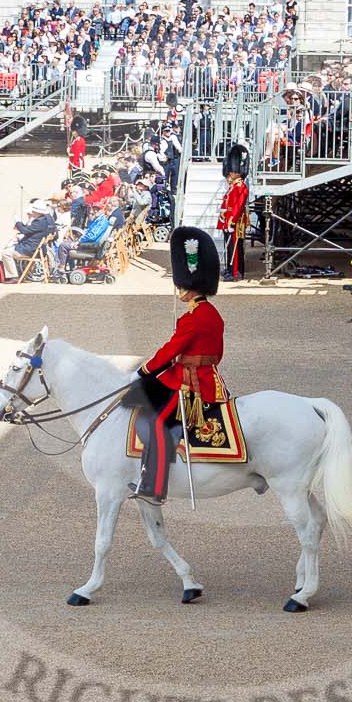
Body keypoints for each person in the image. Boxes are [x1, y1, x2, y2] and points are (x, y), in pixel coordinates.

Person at [133, 226, 226, 500]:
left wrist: (145, 370)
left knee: (157, 423)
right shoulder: (213, 314)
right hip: (210, 378)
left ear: (189, 288)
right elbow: (217, 354)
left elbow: (170, 350)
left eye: (181, 285)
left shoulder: (192, 318)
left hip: (190, 383)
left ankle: (154, 486)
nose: (179, 290)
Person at [218, 169, 249, 281]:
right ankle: (230, 269)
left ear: (238, 174)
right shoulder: (233, 186)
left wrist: (232, 221)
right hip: (227, 220)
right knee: (229, 247)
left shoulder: (241, 187)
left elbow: (238, 206)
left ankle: (236, 272)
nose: (229, 175)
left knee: (235, 248)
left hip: (234, 221)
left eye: (232, 172)